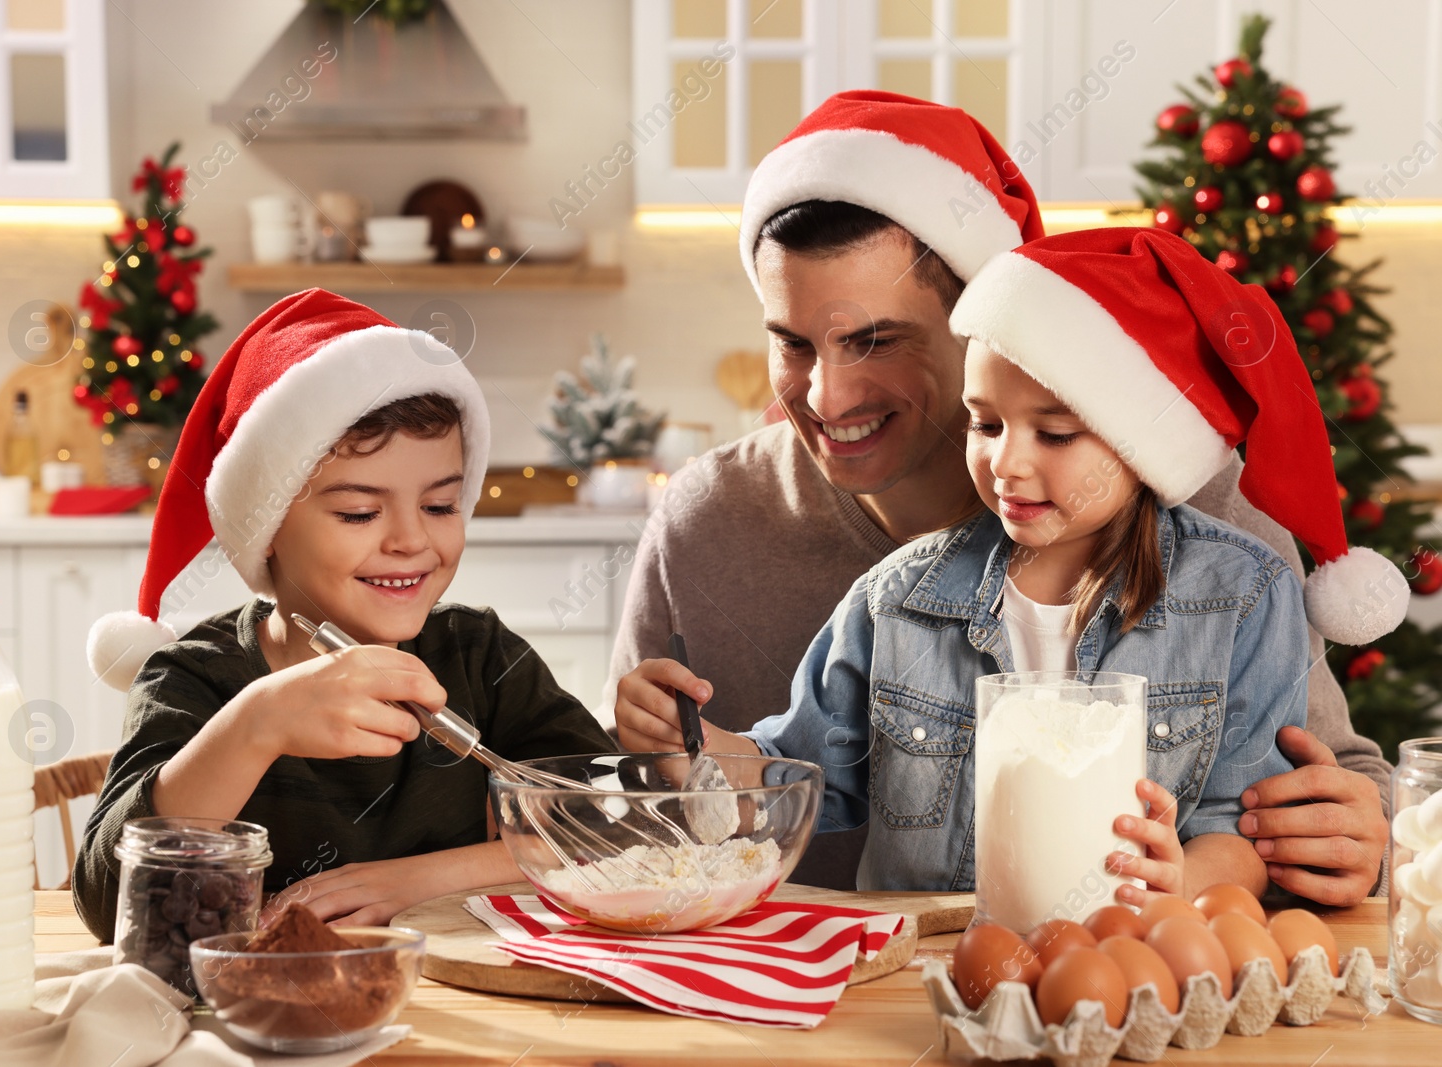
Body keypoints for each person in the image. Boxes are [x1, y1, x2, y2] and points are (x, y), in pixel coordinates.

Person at [609, 91, 1393, 904]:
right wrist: (676, 747)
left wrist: (1358, 832)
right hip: (858, 998)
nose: (828, 397)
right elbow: (642, 817)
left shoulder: (1206, 518)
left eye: (874, 341)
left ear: (984, 323)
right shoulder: (723, 527)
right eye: (793, 343)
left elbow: (1326, 789)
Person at [73, 289, 614, 942]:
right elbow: (111, 903)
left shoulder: (482, 657)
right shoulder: (196, 680)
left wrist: (414, 880)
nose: (411, 539)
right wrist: (255, 727)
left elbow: (616, 827)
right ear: (266, 526)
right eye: (360, 512)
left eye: (441, 506)